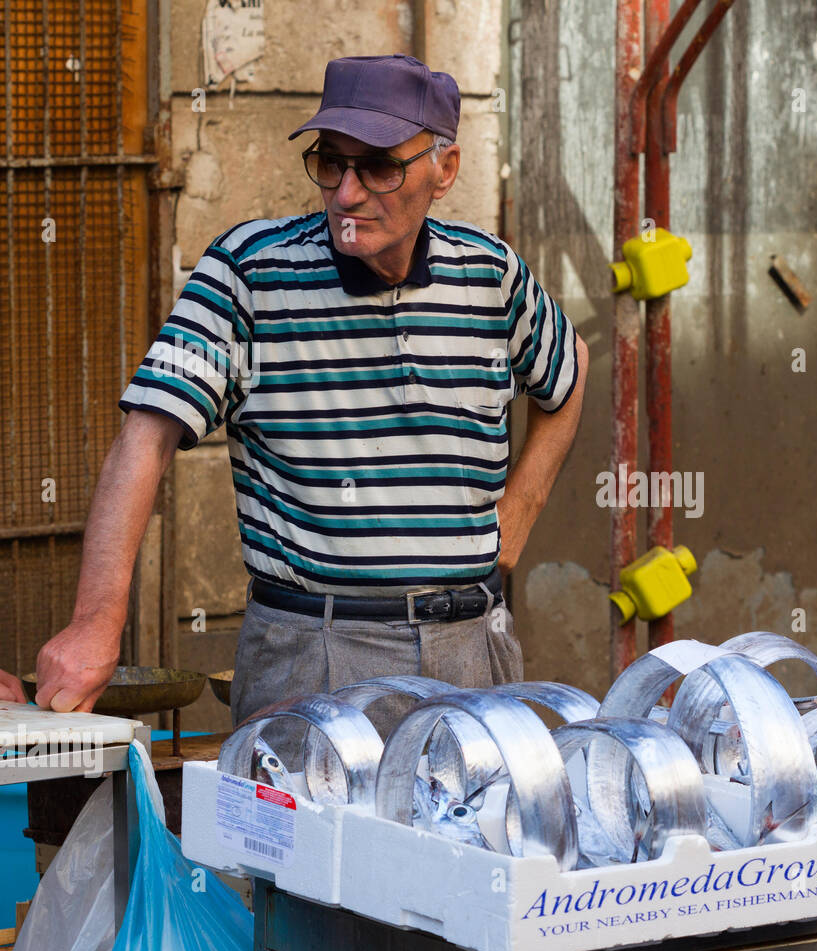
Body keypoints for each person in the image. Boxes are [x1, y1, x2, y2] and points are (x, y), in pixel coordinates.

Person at [33, 54, 588, 725]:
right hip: (317, 653)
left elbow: (570, 364)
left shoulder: (490, 274)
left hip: (472, 646)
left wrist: (517, 518)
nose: (348, 195)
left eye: (380, 166)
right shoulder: (250, 275)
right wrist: (97, 622)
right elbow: (145, 438)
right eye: (331, 163)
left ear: (445, 169)